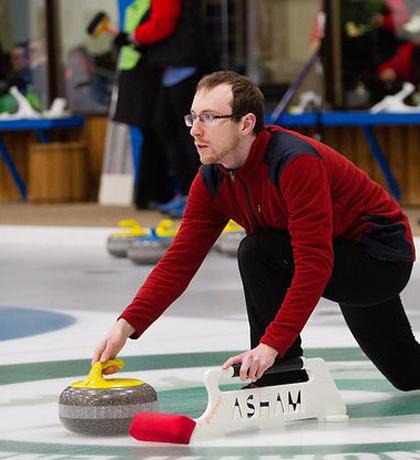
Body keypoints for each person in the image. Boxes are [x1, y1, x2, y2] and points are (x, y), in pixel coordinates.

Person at [93, 71, 419, 391]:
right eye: (193, 118)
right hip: (340, 248)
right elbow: (179, 261)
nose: (196, 130)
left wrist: (272, 346)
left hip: (379, 256)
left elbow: (313, 262)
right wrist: (125, 326)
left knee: (257, 250)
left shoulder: (294, 163)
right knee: (409, 375)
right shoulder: (212, 178)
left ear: (246, 124)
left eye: (209, 117)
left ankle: (280, 371)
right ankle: (281, 366)